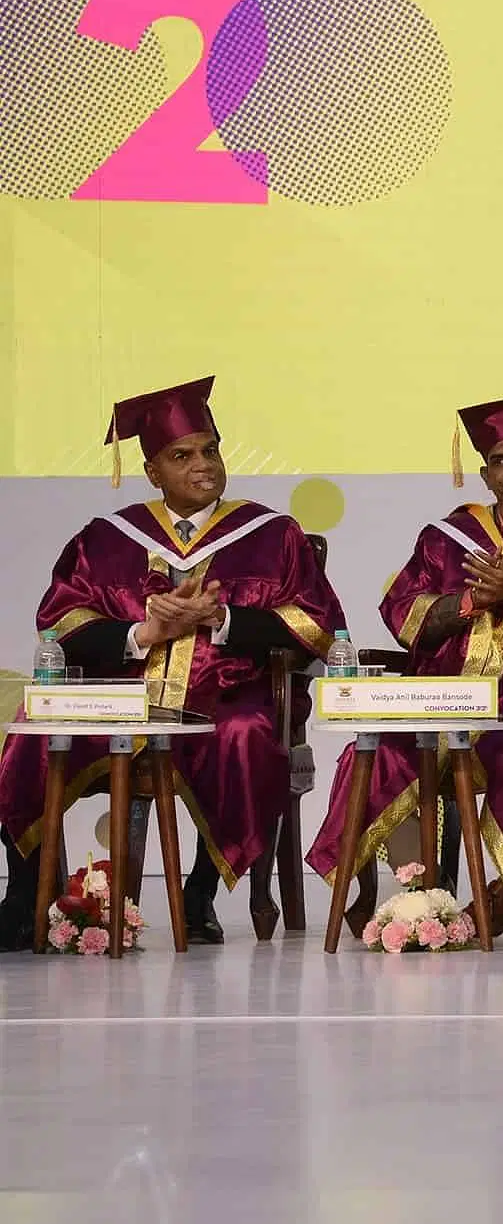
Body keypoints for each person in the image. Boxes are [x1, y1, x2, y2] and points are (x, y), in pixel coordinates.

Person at [0, 378, 343, 949]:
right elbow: (61, 622)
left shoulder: (272, 535)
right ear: (152, 471)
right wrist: (144, 633)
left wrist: (222, 619)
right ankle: (23, 896)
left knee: (247, 735)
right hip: (123, 701)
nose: (202, 465)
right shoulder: (106, 538)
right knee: (31, 733)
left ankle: (199, 894)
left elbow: (316, 624)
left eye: (210, 450)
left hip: (224, 699)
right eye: (182, 456)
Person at [305, 393, 503, 939]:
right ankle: (416, 895)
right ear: (484, 474)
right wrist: (470, 601)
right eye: (500, 460)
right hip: (440, 698)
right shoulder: (446, 537)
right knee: (378, 753)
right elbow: (403, 615)